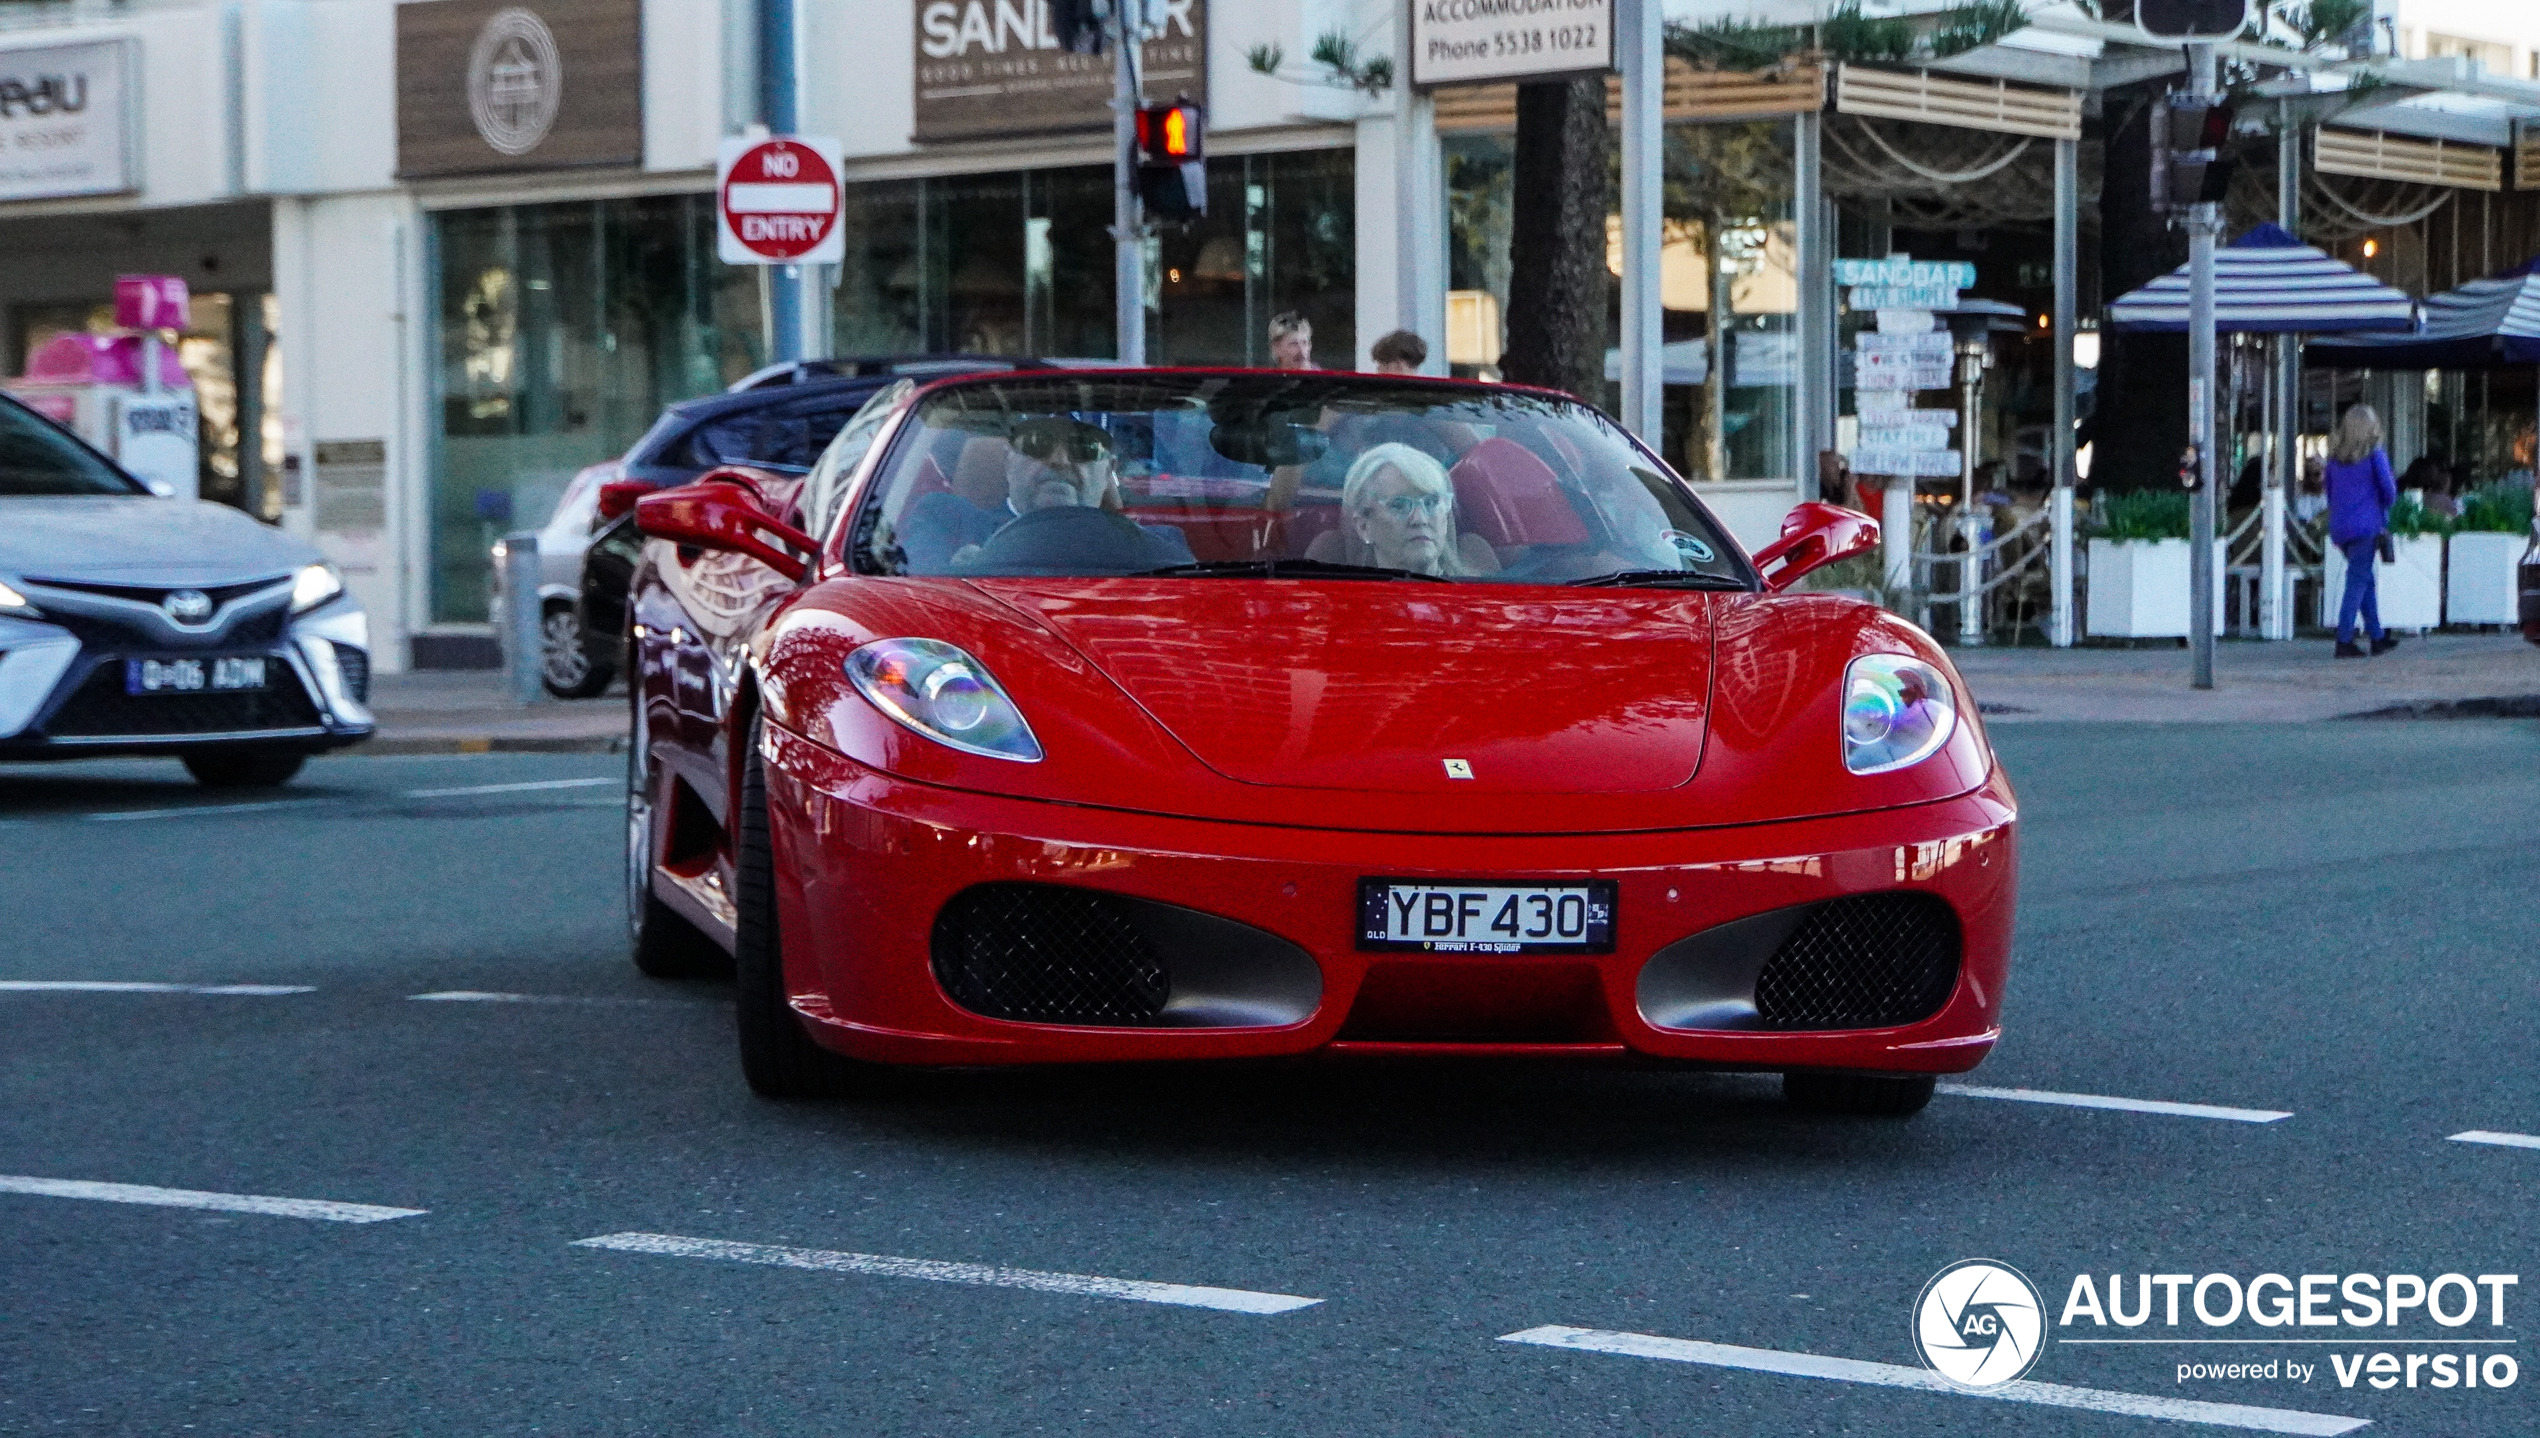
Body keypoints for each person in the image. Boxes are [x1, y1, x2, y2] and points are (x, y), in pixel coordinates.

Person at [900, 418, 1192, 572]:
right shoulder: (946, 520)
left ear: (1108, 472)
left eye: (1083, 450)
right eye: (1038, 444)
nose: (1060, 461)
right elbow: (913, 606)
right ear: (1008, 461)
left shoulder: (1160, 543)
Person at [1338, 443, 1487, 576]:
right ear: (1363, 527)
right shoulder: (1343, 604)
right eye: (1399, 505)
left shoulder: (1482, 597)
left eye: (1431, 502)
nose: (1420, 519)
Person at [2323, 403, 2399, 658]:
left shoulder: (2334, 460)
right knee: (2356, 582)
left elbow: (2330, 493)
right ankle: (2344, 639)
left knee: (2364, 579)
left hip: (2341, 528)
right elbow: (2389, 491)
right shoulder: (2374, 455)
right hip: (2366, 526)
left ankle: (2377, 636)